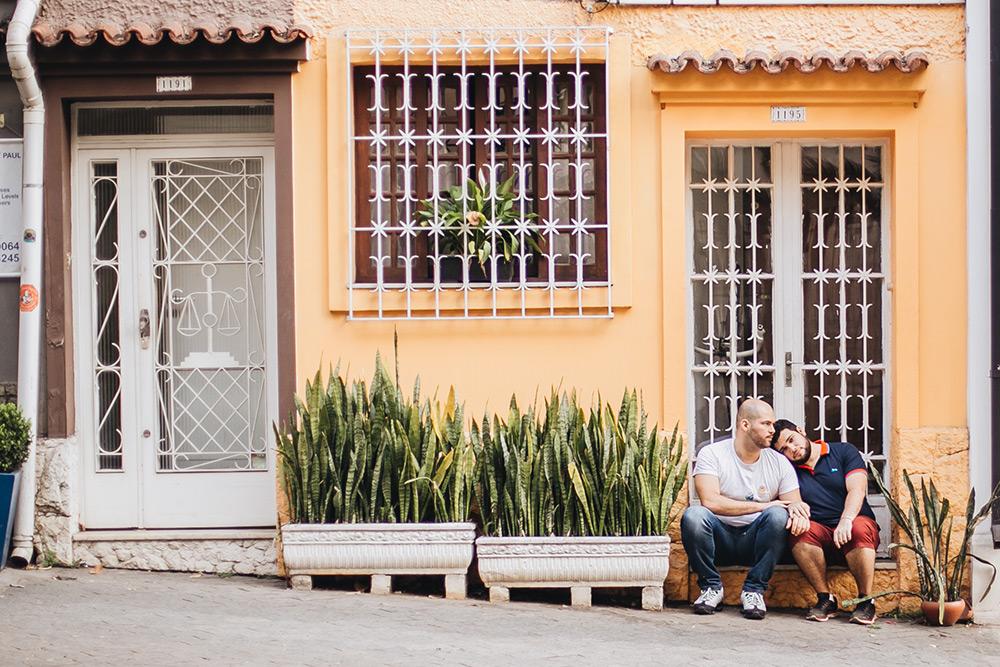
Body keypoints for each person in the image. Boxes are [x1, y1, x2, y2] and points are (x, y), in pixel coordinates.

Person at [681, 398, 810, 620]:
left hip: (755, 540)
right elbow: (710, 502)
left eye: (773, 424)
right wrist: (763, 505)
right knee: (693, 515)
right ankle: (711, 587)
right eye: (766, 424)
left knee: (779, 515)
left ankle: (754, 590)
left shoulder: (779, 462)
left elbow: (792, 504)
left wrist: (800, 511)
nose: (773, 430)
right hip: (718, 538)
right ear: (745, 425)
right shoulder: (712, 454)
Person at [770, 419, 880, 625]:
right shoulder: (788, 471)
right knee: (800, 531)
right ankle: (825, 599)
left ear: (801, 431)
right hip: (820, 540)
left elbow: (857, 489)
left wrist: (846, 520)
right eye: (784, 449)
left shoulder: (843, 451)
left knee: (858, 527)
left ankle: (865, 601)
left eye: (792, 440)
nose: (792, 449)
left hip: (855, 531)